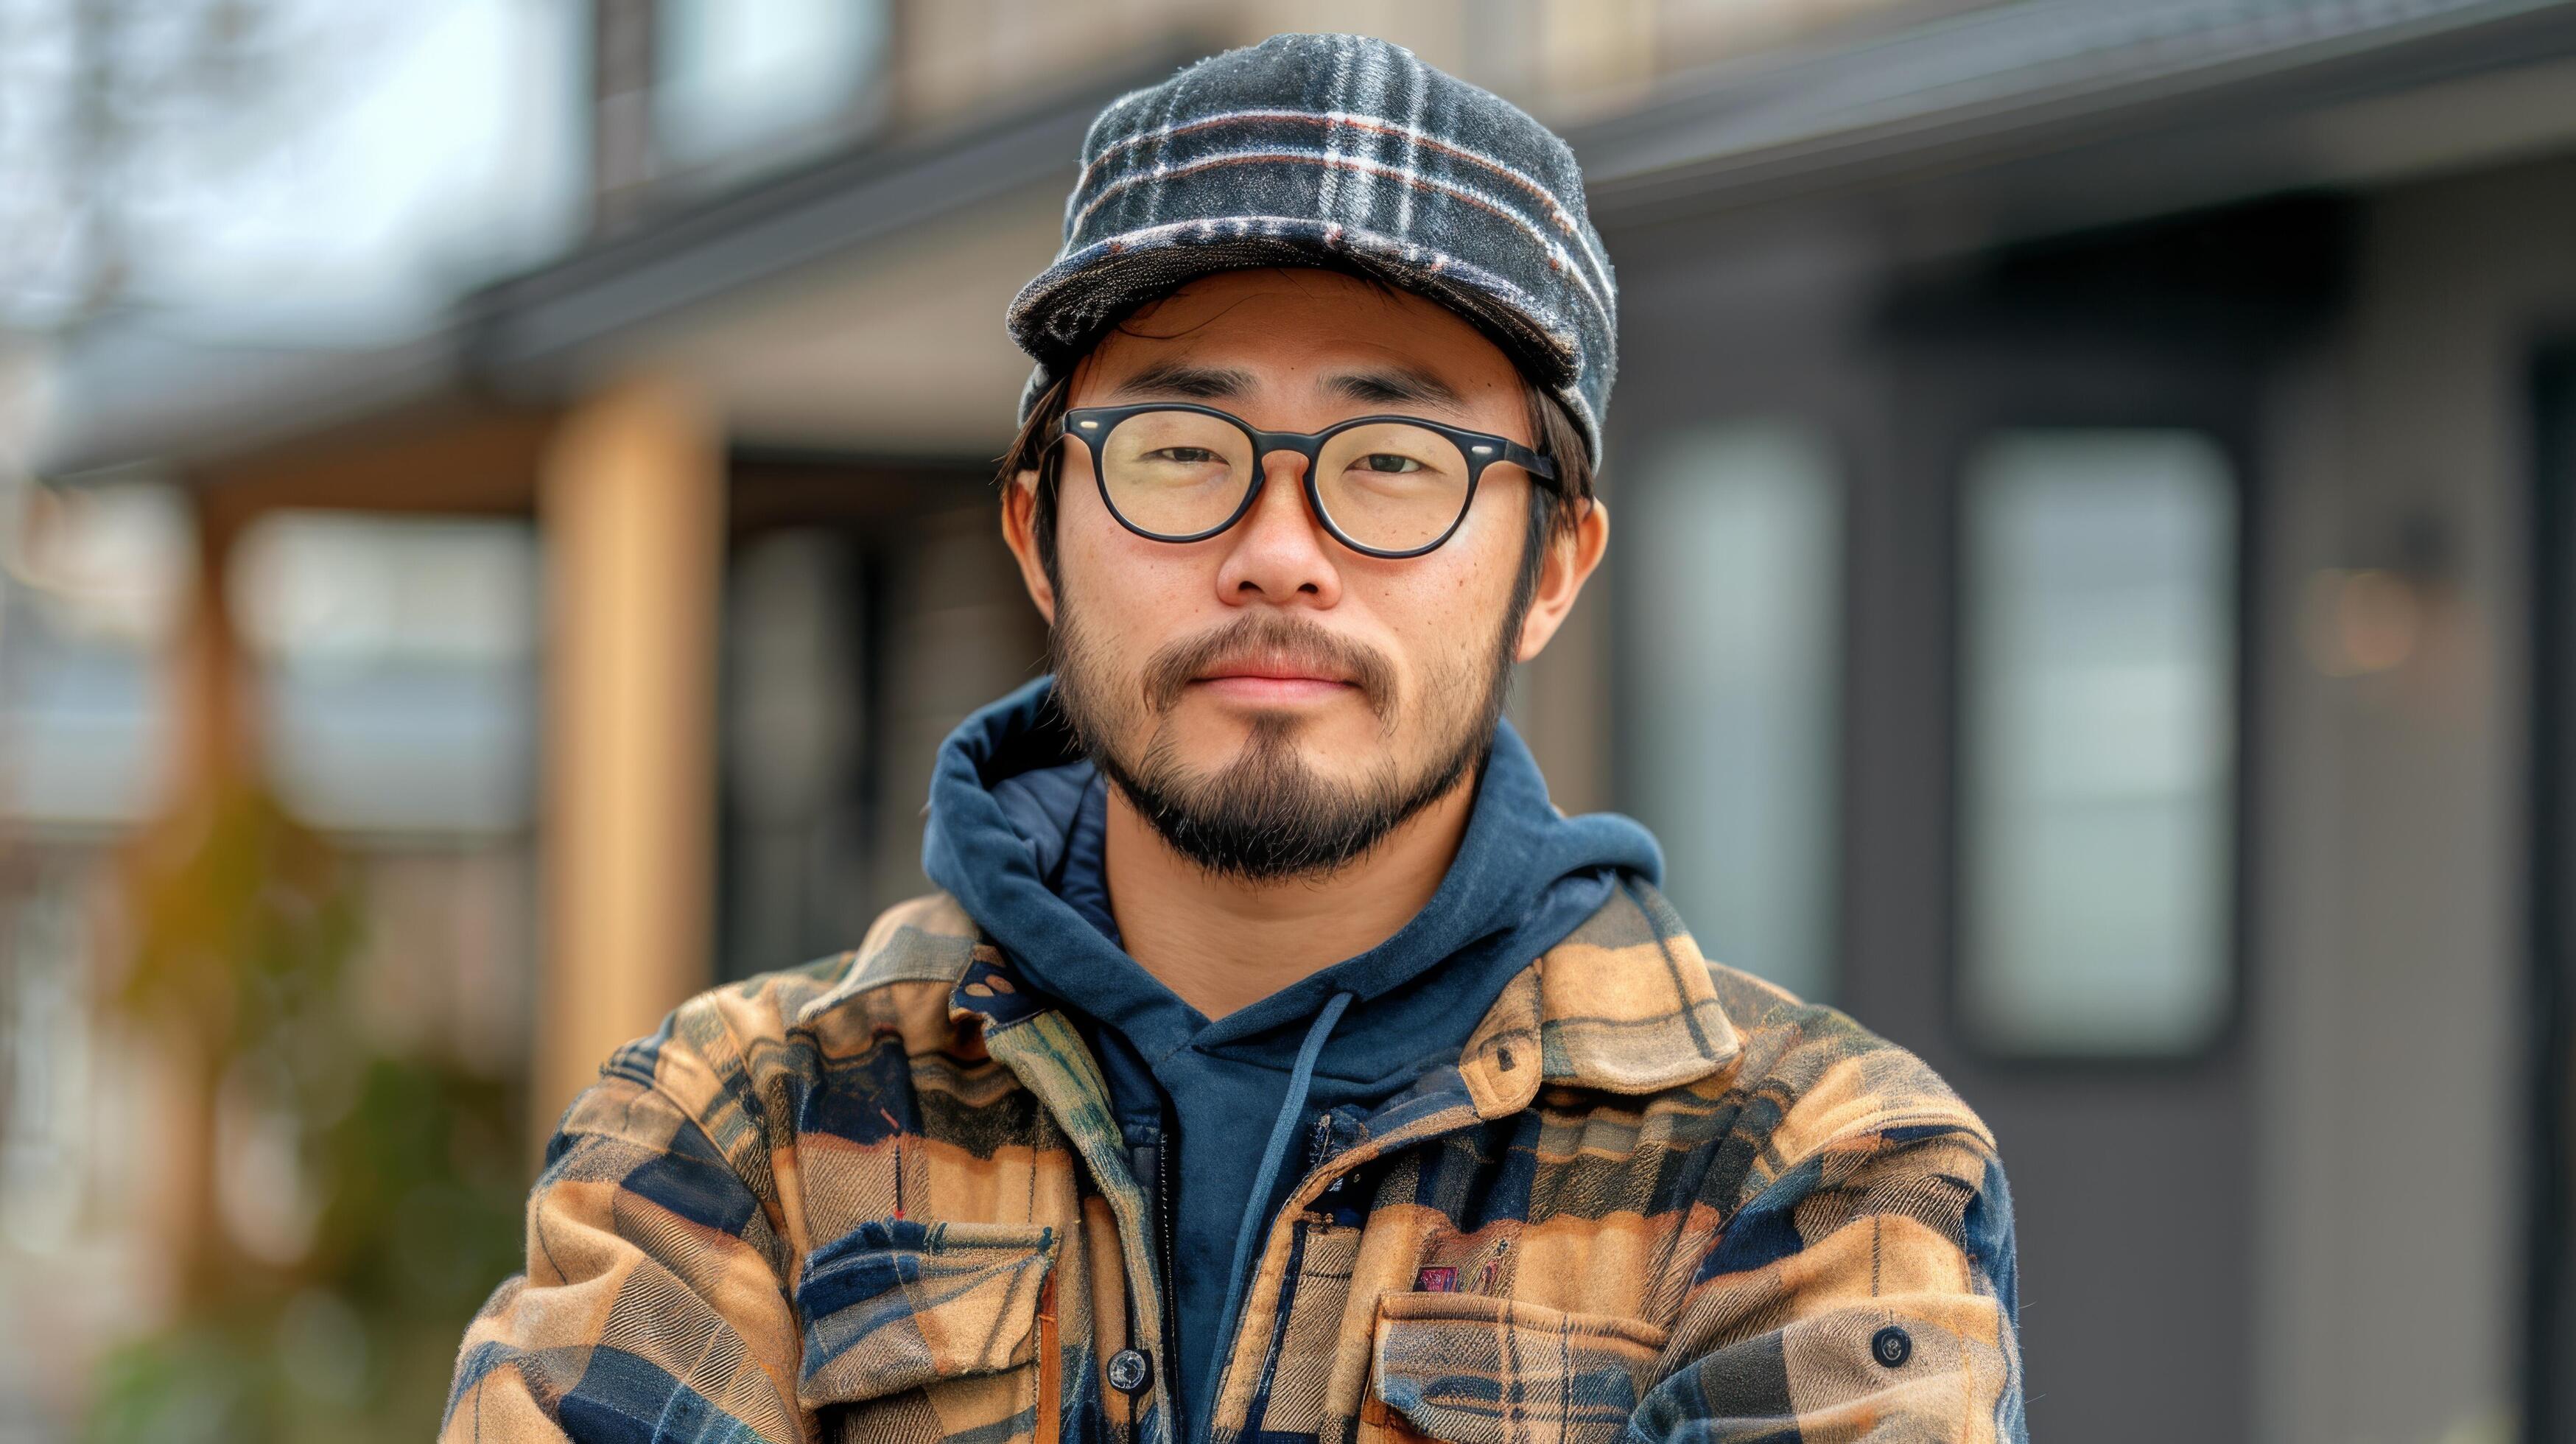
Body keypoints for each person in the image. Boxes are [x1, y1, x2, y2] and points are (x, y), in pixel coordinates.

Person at [443, 32, 2024, 1444]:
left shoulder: (1799, 1174)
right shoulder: (749, 1132)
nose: (1279, 547)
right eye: (1184, 447)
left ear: (1550, 568)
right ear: (1038, 530)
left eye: (1395, 458)